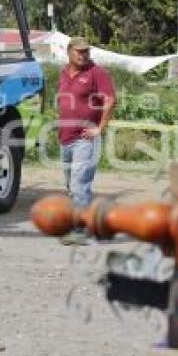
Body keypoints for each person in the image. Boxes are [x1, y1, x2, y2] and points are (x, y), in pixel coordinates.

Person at [57, 36, 116, 245]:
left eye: (86, 51)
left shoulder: (96, 73)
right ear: (69, 51)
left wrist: (99, 128)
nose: (83, 55)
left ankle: (80, 231)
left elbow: (110, 100)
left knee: (79, 184)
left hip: (85, 139)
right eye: (79, 51)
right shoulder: (63, 73)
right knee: (71, 185)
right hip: (65, 139)